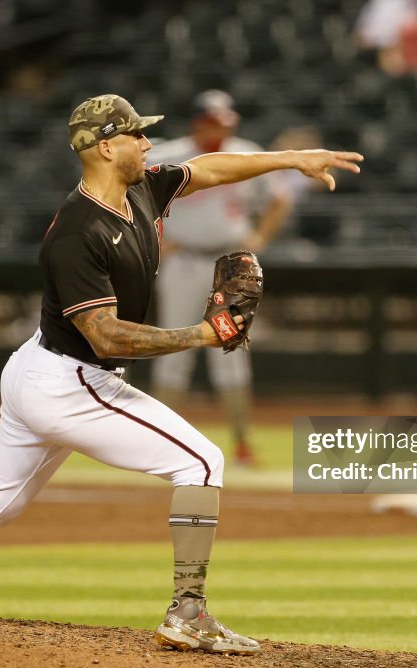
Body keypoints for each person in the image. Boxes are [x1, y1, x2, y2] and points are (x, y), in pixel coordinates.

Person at [0, 94, 362, 655]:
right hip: (70, 381)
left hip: (41, 368)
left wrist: (293, 158)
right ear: (106, 147)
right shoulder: (76, 234)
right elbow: (107, 335)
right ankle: (188, 614)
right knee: (201, 460)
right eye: (137, 133)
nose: (147, 141)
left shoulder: (141, 187)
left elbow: (211, 168)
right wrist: (200, 335)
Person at [147, 91, 294, 467]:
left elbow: (280, 199)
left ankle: (243, 443)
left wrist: (260, 237)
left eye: (226, 122)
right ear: (197, 122)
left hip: (230, 261)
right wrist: (157, 238)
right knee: (171, 348)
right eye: (214, 122)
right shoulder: (170, 155)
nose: (221, 129)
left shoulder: (245, 153)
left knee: (231, 351)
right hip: (184, 261)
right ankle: (160, 444)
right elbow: (135, 198)